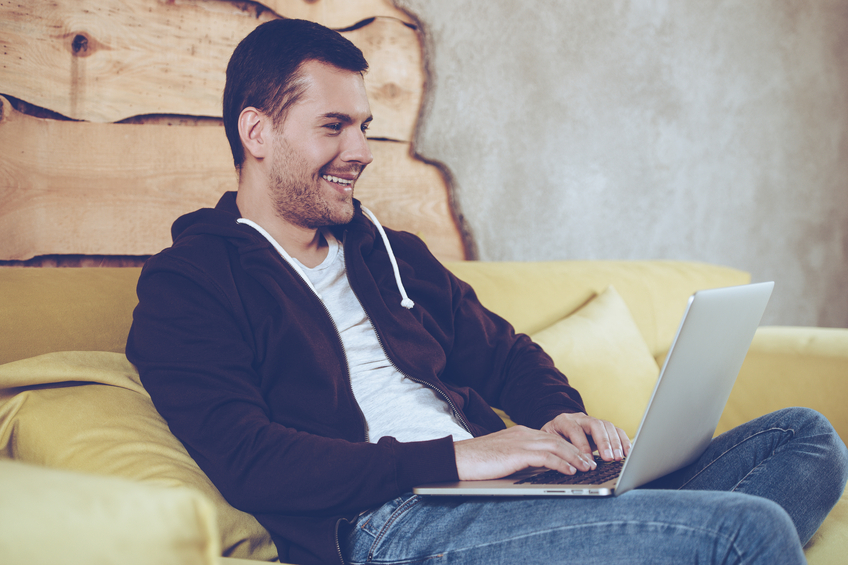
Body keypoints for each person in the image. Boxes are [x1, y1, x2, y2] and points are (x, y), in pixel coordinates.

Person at [126, 18, 847, 565]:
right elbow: (251, 457)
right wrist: (457, 459)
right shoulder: (188, 284)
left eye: (366, 127)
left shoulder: (388, 253)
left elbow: (504, 355)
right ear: (257, 131)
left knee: (806, 438)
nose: (360, 152)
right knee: (750, 531)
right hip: (394, 520)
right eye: (333, 126)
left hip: (505, 493)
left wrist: (561, 416)